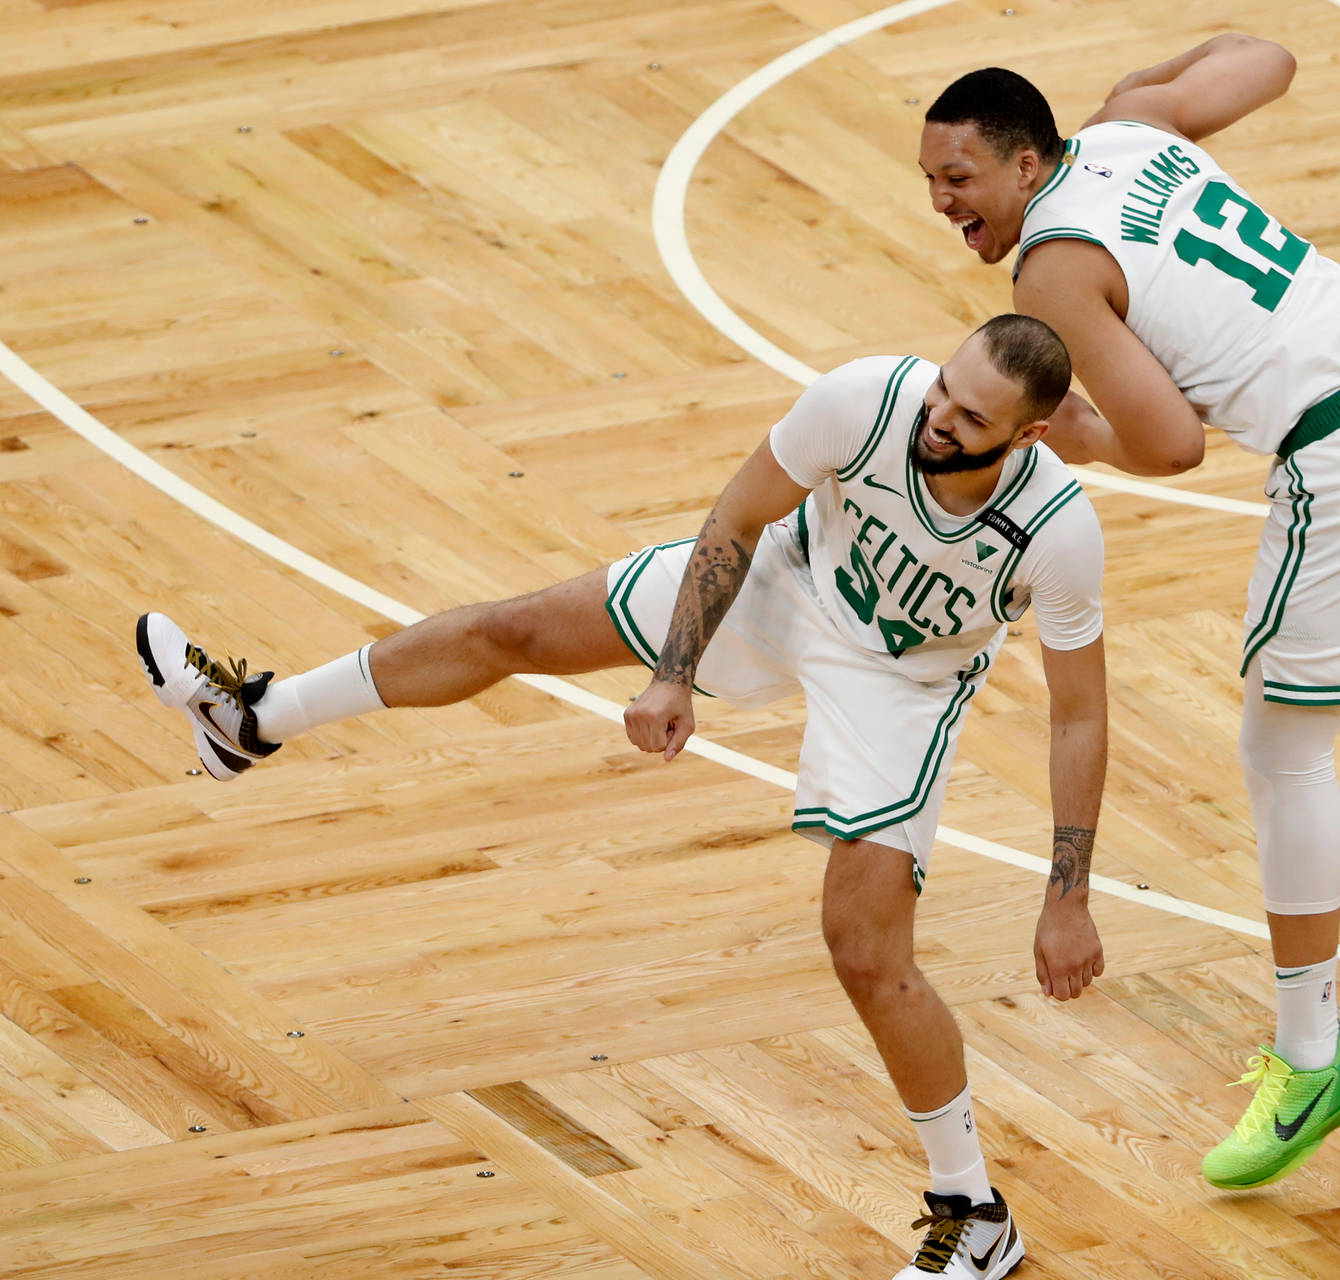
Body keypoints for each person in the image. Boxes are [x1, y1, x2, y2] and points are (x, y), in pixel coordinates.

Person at [135, 315, 1108, 1280]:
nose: (937, 417)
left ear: (1027, 437)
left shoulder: (1056, 533)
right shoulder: (865, 400)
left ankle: (973, 1211)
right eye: (942, 387)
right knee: (513, 630)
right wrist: (673, 673)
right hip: (789, 580)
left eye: (968, 416)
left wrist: (1066, 893)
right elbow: (737, 516)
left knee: (866, 952)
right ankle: (256, 716)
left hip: (904, 679)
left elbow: (1076, 716)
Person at [918, 39, 1340, 1190]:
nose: (945, 204)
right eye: (931, 183)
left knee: (1279, 742)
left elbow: (1171, 443)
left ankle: (1313, 1055)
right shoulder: (1135, 128)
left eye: (959, 180)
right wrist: (1137, 98)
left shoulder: (1050, 270)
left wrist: (1085, 433)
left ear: (1025, 162)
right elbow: (1268, 54)